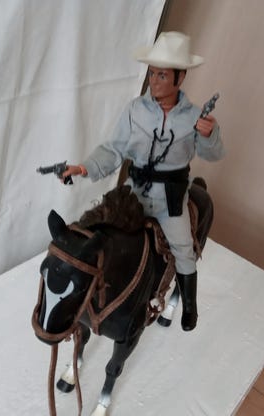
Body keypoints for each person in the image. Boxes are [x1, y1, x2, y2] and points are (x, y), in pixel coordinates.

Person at [63, 31, 225, 331]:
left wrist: (209, 134)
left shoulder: (194, 116)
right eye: (152, 73)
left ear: (180, 77)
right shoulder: (135, 109)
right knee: (103, 230)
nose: (154, 81)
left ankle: (189, 305)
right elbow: (114, 148)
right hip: (134, 191)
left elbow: (212, 154)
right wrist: (84, 168)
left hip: (170, 197)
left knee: (182, 247)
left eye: (162, 75)